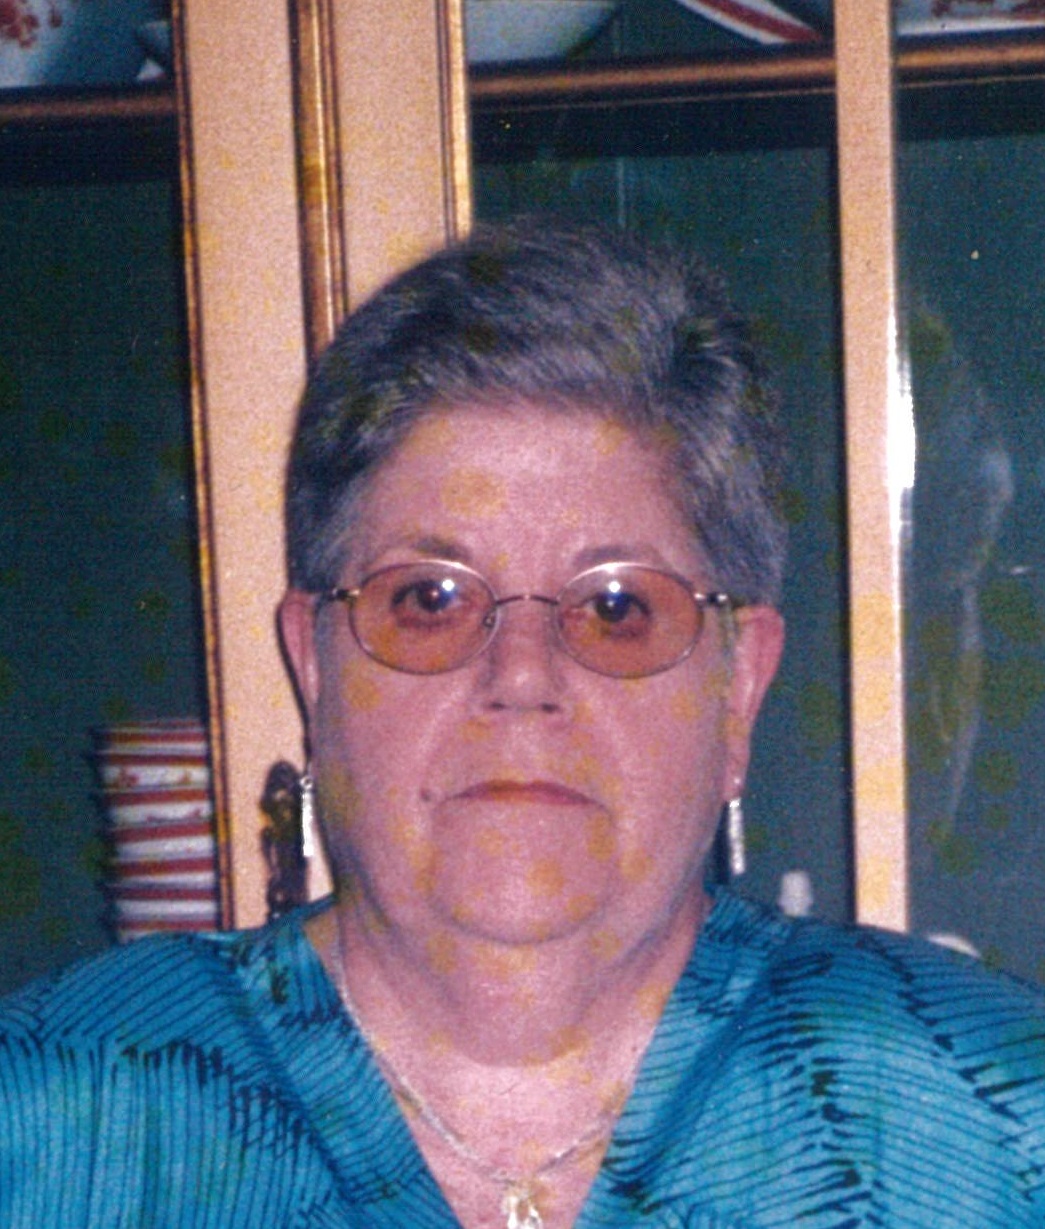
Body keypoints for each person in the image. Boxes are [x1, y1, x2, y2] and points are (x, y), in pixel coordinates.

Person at [2, 219, 1044, 1229]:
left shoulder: (995, 1120)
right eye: (430, 599)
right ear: (315, 668)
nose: (522, 676)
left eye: (616, 608)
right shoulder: (52, 1121)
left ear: (737, 689)